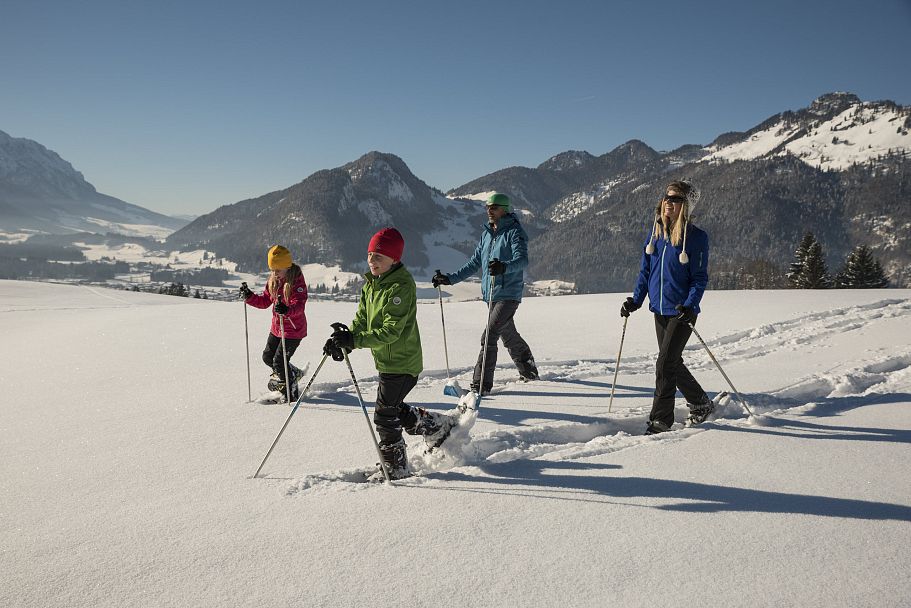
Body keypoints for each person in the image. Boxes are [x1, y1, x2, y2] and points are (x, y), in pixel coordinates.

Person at [323, 227, 452, 481]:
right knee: (391, 408)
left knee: (384, 415)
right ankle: (435, 427)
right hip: (387, 361)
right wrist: (345, 342)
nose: (372, 260)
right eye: (370, 254)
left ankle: (395, 466)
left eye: (379, 256)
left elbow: (391, 332)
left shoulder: (400, 287)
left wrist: (355, 340)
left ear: (394, 259)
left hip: (403, 363)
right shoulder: (372, 284)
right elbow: (362, 320)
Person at [620, 180, 714, 434]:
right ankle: (700, 402)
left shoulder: (696, 238)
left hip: (682, 312)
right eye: (667, 197)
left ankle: (661, 420)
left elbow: (699, 278)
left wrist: (690, 304)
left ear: (686, 206)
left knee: (664, 364)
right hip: (659, 310)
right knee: (671, 362)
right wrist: (635, 300)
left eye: (676, 199)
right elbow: (645, 272)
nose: (668, 202)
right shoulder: (656, 235)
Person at [432, 192, 538, 394]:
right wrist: (450, 279)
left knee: (489, 336)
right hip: (491, 295)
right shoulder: (487, 233)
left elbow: (522, 260)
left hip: (508, 294)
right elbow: (474, 263)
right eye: (487, 207)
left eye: (494, 207)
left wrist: (503, 267)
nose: (489, 210)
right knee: (508, 335)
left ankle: (480, 386)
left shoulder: (514, 232)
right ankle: (529, 370)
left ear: (505, 209)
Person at [240, 245, 308, 402]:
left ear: (287, 266)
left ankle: (290, 392)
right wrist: (249, 296)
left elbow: (299, 304)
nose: (274, 273)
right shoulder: (273, 281)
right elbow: (264, 302)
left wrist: (287, 309)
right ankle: (293, 374)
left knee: (279, 362)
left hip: (293, 330)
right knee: (268, 357)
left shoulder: (296, 281)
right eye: (272, 269)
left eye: (278, 269)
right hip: (277, 328)